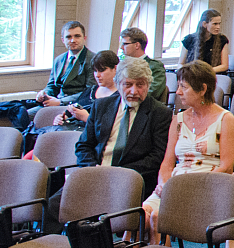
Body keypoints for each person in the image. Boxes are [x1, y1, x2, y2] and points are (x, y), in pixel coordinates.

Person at [119, 60, 234, 248]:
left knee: (156, 218)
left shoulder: (225, 119)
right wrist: (163, 183)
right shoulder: (179, 119)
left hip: (204, 188)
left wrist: (183, 188)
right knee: (139, 215)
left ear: (202, 89)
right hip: (172, 185)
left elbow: (226, 166)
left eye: (184, 87)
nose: (178, 92)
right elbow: (167, 162)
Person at [74, 58, 174, 201]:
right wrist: (92, 168)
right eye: (128, 84)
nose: (134, 91)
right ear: (117, 84)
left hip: (129, 181)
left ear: (148, 85)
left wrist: (118, 174)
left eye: (140, 85)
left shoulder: (160, 113)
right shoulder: (101, 106)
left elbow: (157, 156)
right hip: (94, 175)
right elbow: (83, 145)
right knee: (55, 205)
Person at [43, 49, 120, 133]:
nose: (97, 75)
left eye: (102, 70)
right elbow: (70, 111)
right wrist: (61, 117)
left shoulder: (119, 97)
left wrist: (87, 118)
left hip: (86, 135)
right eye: (95, 71)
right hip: (70, 129)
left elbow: (112, 128)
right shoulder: (91, 90)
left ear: (115, 68)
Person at [36, 20, 92, 107]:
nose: (73, 40)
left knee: (40, 114)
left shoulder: (92, 60)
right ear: (63, 40)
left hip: (76, 106)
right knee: (24, 113)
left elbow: (90, 92)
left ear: (84, 38)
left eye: (77, 36)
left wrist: (60, 102)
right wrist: (44, 93)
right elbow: (52, 86)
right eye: (68, 37)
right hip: (55, 102)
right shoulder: (58, 60)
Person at [119, 27, 166, 103]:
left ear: (137, 45)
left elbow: (152, 92)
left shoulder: (155, 67)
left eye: (125, 44)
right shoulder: (122, 66)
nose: (121, 48)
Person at [179, 8, 229, 74]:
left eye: (219, 24)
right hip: (193, 75)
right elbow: (181, 63)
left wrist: (204, 71)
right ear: (204, 24)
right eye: (215, 24)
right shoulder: (189, 39)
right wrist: (186, 72)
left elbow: (224, 66)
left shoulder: (222, 39)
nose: (218, 27)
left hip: (213, 74)